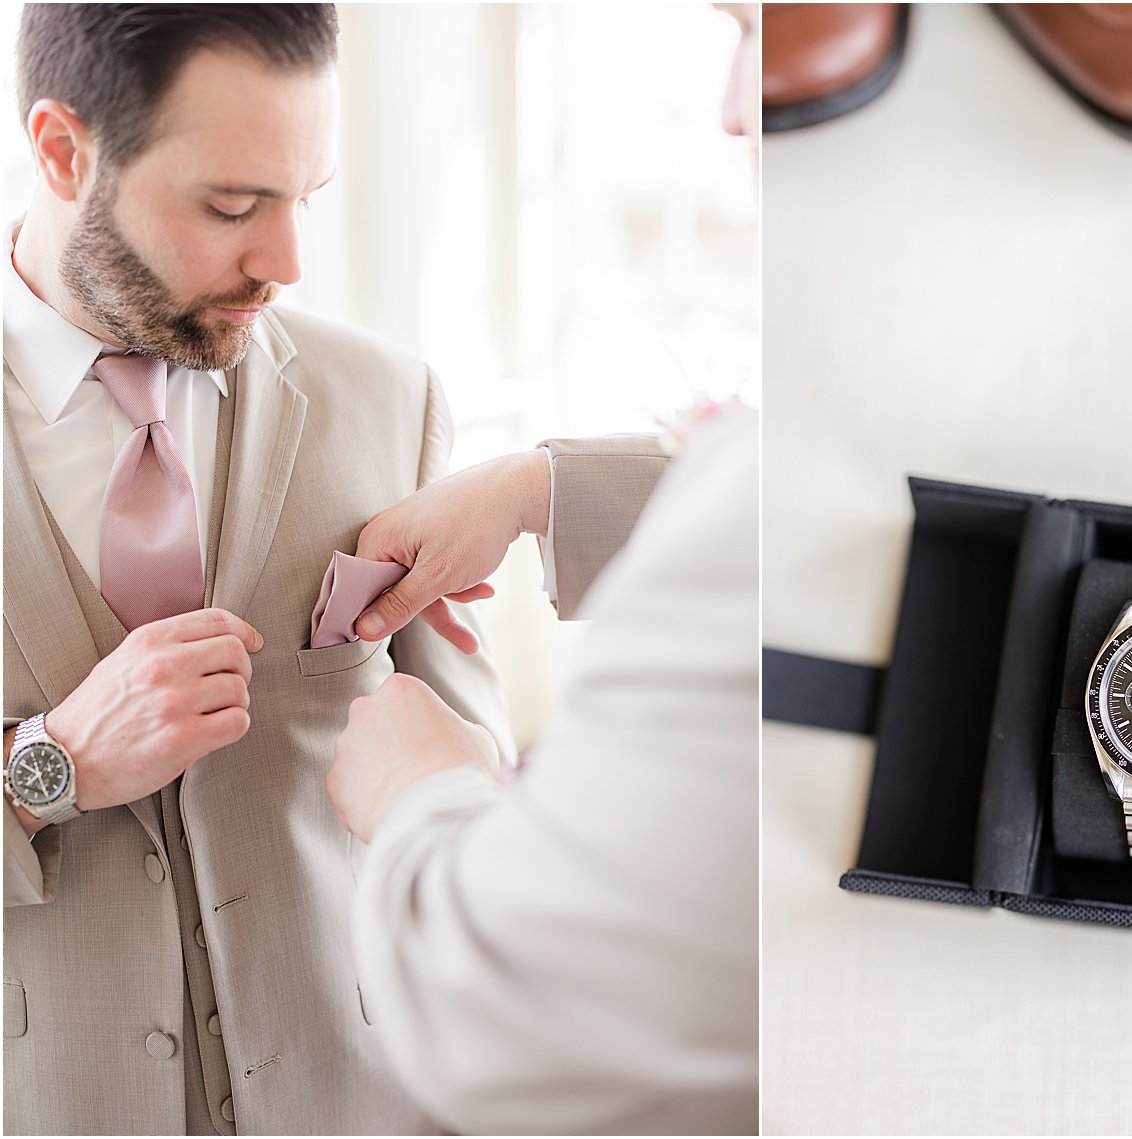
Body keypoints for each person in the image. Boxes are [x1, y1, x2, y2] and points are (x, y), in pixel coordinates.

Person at [3, 5, 509, 1134]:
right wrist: (48, 769)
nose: (284, 264)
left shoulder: (391, 402)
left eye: (304, 198)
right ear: (61, 151)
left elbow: (480, 791)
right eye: (232, 205)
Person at [323, 4, 761, 1134]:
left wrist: (427, 793)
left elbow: (524, 1013)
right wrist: (538, 489)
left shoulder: (381, 393)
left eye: (754, 32)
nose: (725, 108)